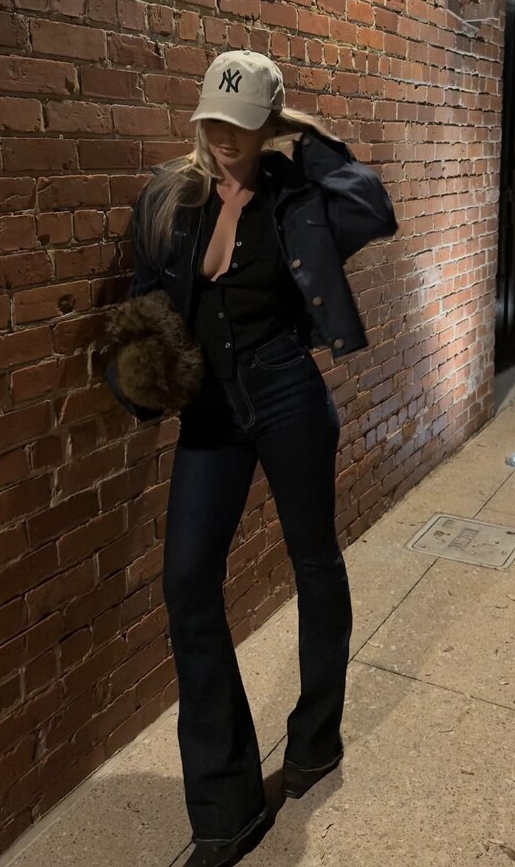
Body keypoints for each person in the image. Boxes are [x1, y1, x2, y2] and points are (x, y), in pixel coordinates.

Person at [105, 50, 398, 866]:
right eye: (212, 121)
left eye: (240, 125)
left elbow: (373, 209)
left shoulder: (299, 195)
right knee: (186, 581)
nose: (222, 138)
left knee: (314, 560)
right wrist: (139, 373)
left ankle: (314, 740)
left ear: (268, 124)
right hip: (209, 406)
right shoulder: (169, 197)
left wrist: (308, 140)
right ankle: (225, 805)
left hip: (286, 392)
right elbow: (143, 295)